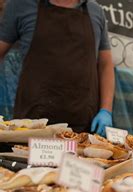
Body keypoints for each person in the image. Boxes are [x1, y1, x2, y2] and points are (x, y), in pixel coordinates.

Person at [0, 0, 114, 135]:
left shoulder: (95, 10)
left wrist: (106, 110)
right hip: (31, 127)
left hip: (82, 127)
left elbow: (106, 65)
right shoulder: (21, 5)